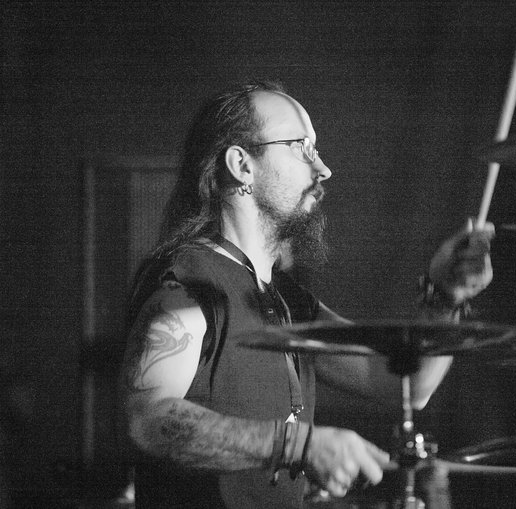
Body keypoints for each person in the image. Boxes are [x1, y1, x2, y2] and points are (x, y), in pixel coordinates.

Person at [117, 80, 494, 509]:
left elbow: (405, 382)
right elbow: (145, 420)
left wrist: (444, 296)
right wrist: (297, 445)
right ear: (242, 165)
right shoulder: (188, 286)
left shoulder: (287, 301)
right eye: (302, 147)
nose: (323, 169)